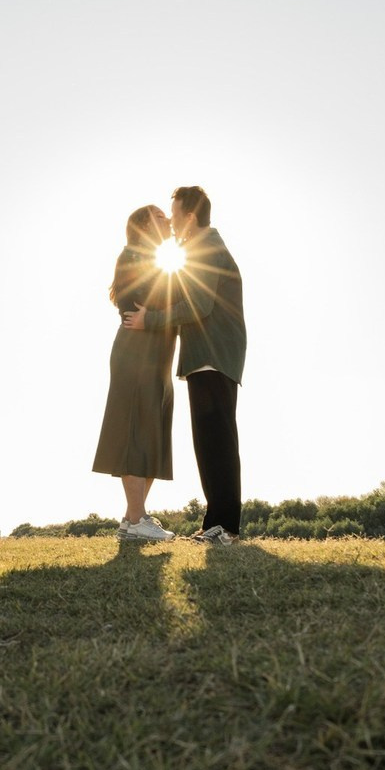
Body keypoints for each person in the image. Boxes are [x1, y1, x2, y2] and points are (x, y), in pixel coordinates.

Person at [122, 185, 245, 545]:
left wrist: (150, 321)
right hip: (203, 357)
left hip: (213, 356)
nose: (172, 223)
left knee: (218, 441)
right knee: (207, 443)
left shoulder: (206, 247)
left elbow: (197, 306)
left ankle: (226, 526)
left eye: (174, 215)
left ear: (189, 216)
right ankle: (214, 524)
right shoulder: (198, 247)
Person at [92, 205, 178, 542]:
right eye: (160, 217)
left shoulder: (161, 260)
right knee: (135, 431)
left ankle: (132, 520)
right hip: (135, 355)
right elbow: (141, 306)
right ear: (143, 225)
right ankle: (138, 517)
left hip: (159, 359)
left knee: (152, 433)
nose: (168, 220)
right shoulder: (133, 255)